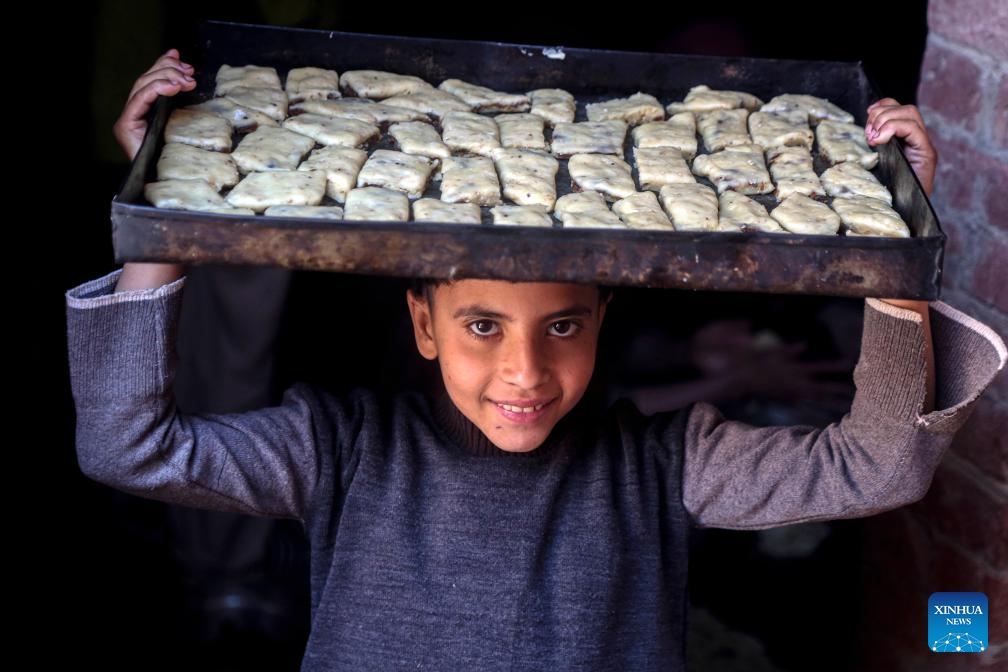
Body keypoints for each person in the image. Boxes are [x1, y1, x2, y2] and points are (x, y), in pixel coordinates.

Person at [69, 50, 1004, 669]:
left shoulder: (662, 466)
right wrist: (160, 218)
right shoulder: (343, 449)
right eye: (483, 327)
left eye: (562, 327)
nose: (524, 372)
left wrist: (895, 257)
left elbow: (878, 463)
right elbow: (127, 447)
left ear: (602, 319)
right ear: (423, 325)